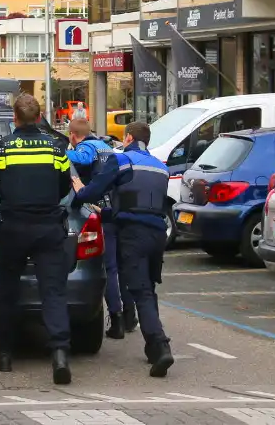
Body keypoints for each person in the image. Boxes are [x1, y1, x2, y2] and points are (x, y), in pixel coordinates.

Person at [0, 94, 74, 384]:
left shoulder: (1, 147)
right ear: (39, 118)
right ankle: (60, 354)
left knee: (7, 291)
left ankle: (3, 354)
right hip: (48, 227)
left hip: (13, 227)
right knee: (53, 292)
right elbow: (65, 184)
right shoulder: (56, 147)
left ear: (14, 119)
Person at [72, 121, 174, 378]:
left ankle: (160, 346)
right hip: (158, 234)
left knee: (139, 289)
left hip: (134, 235)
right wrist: (106, 213)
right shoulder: (161, 167)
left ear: (128, 138)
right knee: (148, 288)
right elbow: (144, 203)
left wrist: (78, 187)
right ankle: (154, 347)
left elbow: (91, 192)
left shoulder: (122, 161)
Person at [66, 118, 135, 339]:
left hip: (101, 210)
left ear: (73, 136)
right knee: (123, 267)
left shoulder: (86, 147)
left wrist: (60, 154)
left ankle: (116, 319)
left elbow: (82, 159)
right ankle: (130, 316)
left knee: (109, 268)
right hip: (117, 210)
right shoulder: (107, 147)